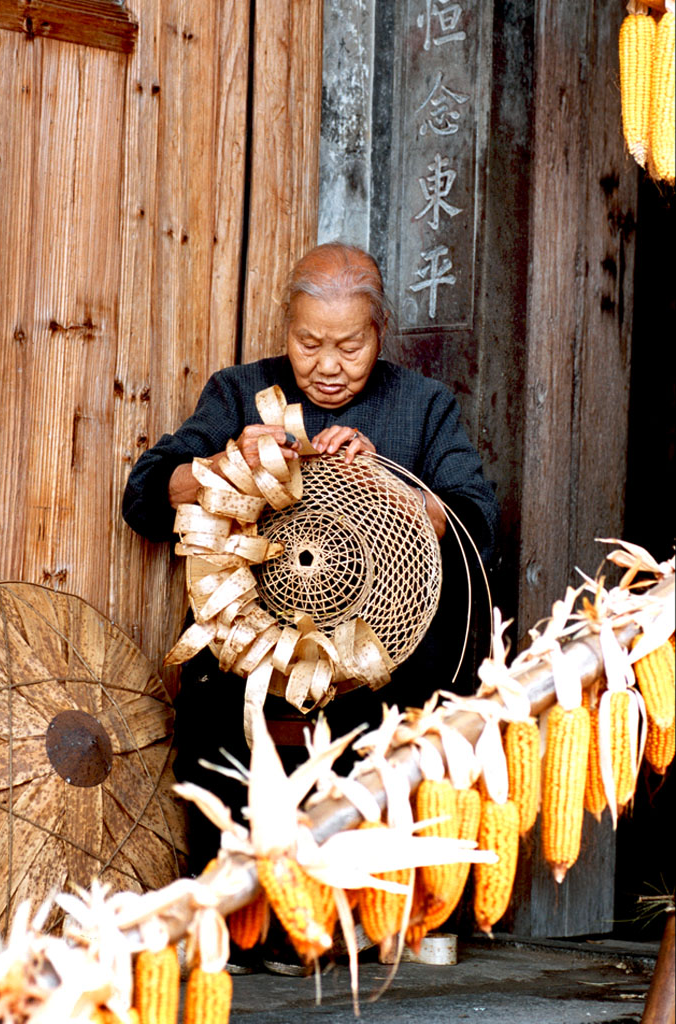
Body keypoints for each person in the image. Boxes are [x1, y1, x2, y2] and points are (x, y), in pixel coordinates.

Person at [123, 242, 499, 866]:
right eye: (308, 344)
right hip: (253, 645)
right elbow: (146, 497)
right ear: (286, 329)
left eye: (350, 348)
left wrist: (397, 488)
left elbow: (475, 521)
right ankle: (237, 891)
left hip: (377, 653)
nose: (328, 366)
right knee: (215, 693)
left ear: (380, 334)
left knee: (418, 686)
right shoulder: (240, 393)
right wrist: (225, 465)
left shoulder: (423, 405)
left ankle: (346, 890)